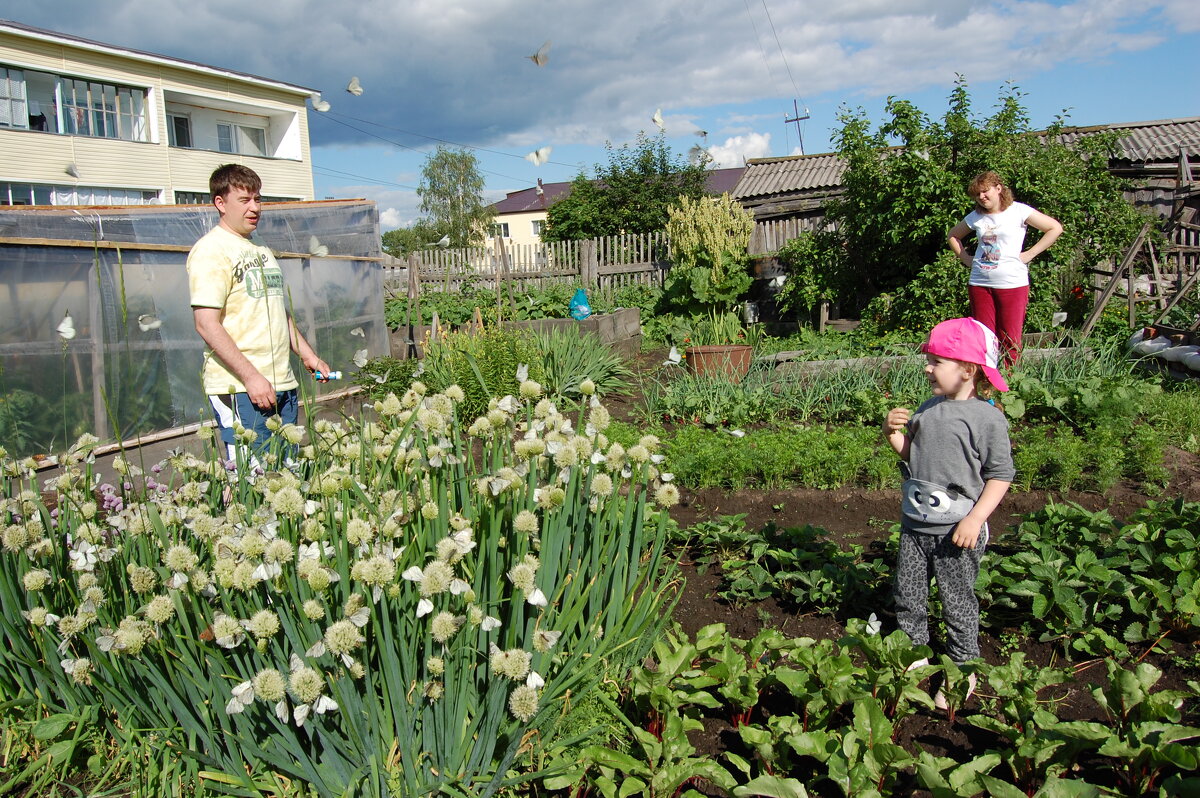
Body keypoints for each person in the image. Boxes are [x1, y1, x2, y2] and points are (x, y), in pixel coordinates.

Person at [882, 317, 1015, 705]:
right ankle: (914, 652)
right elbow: (913, 455)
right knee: (908, 592)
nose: (928, 367)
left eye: (938, 361)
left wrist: (975, 518)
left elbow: (1001, 474)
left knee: (957, 601)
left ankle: (962, 666)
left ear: (968, 370)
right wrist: (892, 434)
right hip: (915, 524)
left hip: (957, 530)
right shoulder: (927, 409)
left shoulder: (987, 419)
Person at [187, 164, 331, 465]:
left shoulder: (260, 248)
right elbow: (206, 324)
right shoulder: (211, 251)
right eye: (244, 200)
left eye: (258, 199)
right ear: (220, 203)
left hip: (282, 382)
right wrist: (251, 377)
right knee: (252, 480)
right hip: (241, 387)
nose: (255, 208)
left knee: (286, 471)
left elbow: (279, 311)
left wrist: (308, 356)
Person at [947, 171, 1062, 366]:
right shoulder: (976, 216)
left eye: (985, 191)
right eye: (977, 194)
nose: (982, 197)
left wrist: (1030, 254)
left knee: (1010, 337)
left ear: (998, 189)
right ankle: (986, 382)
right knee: (984, 337)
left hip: (1012, 283)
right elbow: (953, 235)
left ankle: (1009, 384)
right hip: (979, 283)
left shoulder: (1018, 211)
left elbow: (1054, 228)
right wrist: (966, 259)